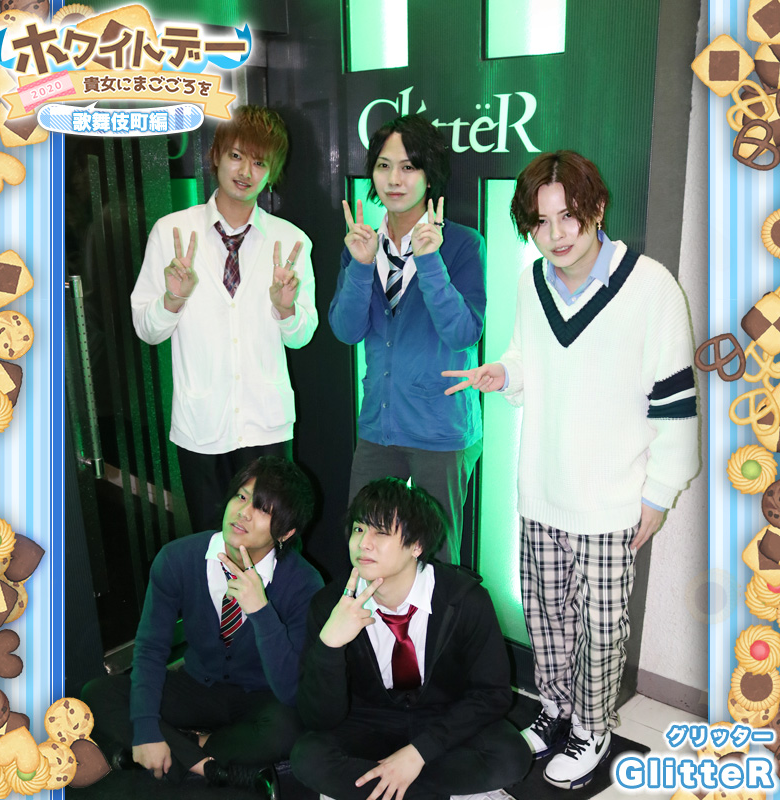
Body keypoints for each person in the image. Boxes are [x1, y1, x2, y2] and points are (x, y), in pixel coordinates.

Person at [443, 151, 699, 789]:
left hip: (612, 499)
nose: (555, 235)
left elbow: (675, 403)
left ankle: (592, 726)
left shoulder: (651, 287)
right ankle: (555, 707)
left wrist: (660, 494)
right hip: (541, 491)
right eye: (540, 221)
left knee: (602, 628)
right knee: (546, 617)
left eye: (569, 217)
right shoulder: (534, 280)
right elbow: (525, 358)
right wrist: (503, 374)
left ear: (597, 210)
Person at [82, 456, 324, 791]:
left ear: (286, 532)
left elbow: (291, 690)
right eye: (241, 497)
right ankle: (210, 767)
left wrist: (261, 611)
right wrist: (147, 729)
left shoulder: (304, 583)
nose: (243, 513)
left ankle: (185, 748)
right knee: (97, 694)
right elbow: (151, 650)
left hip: (260, 697)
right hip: (196, 685)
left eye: (263, 509)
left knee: (289, 729)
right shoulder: (177, 559)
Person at [131, 105, 317, 532]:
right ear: (215, 155)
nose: (246, 172)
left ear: (272, 172)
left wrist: (286, 308)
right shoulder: (172, 232)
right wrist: (173, 299)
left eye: (260, 162)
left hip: (266, 426)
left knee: (269, 538)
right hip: (201, 424)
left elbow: (301, 336)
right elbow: (147, 329)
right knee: (211, 541)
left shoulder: (291, 241)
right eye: (236, 156)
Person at [291, 477, 531, 800]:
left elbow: (492, 694)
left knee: (512, 755)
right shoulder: (329, 605)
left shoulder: (463, 600)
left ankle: (389, 786)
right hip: (368, 719)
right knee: (308, 756)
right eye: (359, 529)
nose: (363, 544)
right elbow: (318, 719)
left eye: (381, 532)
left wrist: (418, 753)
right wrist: (329, 646)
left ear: (416, 546)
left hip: (444, 717)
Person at [329, 114, 486, 564]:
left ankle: (434, 616)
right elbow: (346, 330)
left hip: (440, 428)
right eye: (384, 166)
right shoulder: (362, 244)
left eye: (408, 167)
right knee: (366, 547)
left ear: (428, 175)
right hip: (379, 426)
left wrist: (430, 261)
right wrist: (361, 265)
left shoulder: (461, 244)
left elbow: (463, 332)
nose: (394, 179)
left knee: (437, 556)